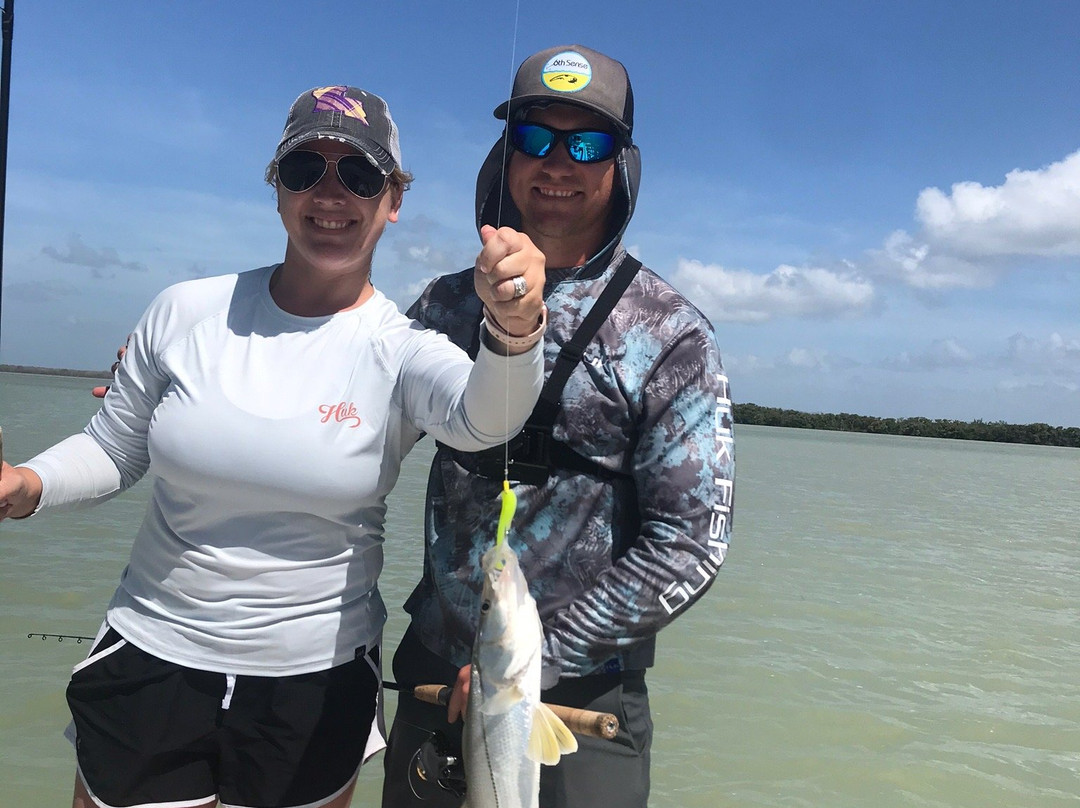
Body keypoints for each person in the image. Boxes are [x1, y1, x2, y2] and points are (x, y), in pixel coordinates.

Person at [0, 83, 548, 808]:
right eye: (304, 170)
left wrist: (514, 327)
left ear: (394, 200)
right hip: (151, 656)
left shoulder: (402, 349)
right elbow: (113, 449)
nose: (330, 194)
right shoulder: (185, 310)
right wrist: (24, 485)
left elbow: (488, 417)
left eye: (358, 174)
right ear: (276, 187)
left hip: (314, 687)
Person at [381, 45, 735, 808]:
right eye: (536, 139)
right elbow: (344, 438)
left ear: (622, 163)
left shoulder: (671, 333)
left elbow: (692, 542)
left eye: (588, 143)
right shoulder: (443, 307)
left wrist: (525, 660)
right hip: (432, 677)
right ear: (506, 157)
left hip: (587, 702)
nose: (558, 163)